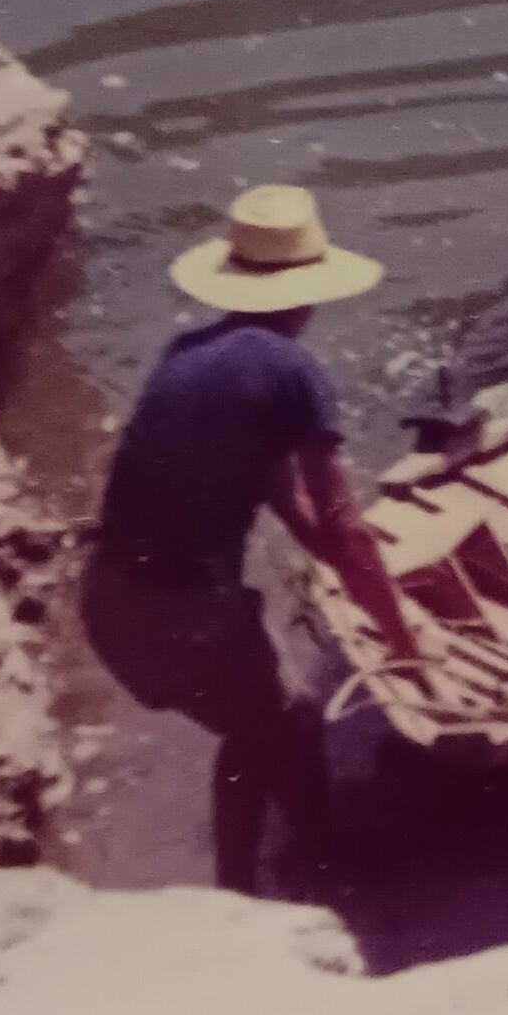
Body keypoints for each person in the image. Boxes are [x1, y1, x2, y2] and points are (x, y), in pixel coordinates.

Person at [81, 185, 421, 898]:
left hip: (110, 600)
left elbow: (283, 495)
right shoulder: (294, 371)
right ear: (309, 291)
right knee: (289, 720)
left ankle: (238, 885)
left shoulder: (191, 347)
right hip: (186, 613)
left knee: (255, 726)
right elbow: (341, 522)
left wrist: (338, 562)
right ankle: (326, 867)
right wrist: (401, 635)